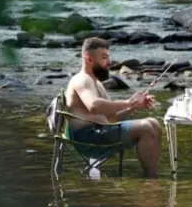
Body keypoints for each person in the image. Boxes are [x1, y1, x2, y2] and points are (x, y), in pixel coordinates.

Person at [65, 37, 161, 178]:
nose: (109, 62)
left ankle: (152, 176)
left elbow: (112, 117)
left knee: (154, 123)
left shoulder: (96, 83)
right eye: (104, 58)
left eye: (109, 57)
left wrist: (134, 106)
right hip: (88, 138)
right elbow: (94, 106)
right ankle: (151, 180)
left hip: (100, 133)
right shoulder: (82, 80)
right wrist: (129, 102)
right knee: (146, 127)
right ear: (89, 59)